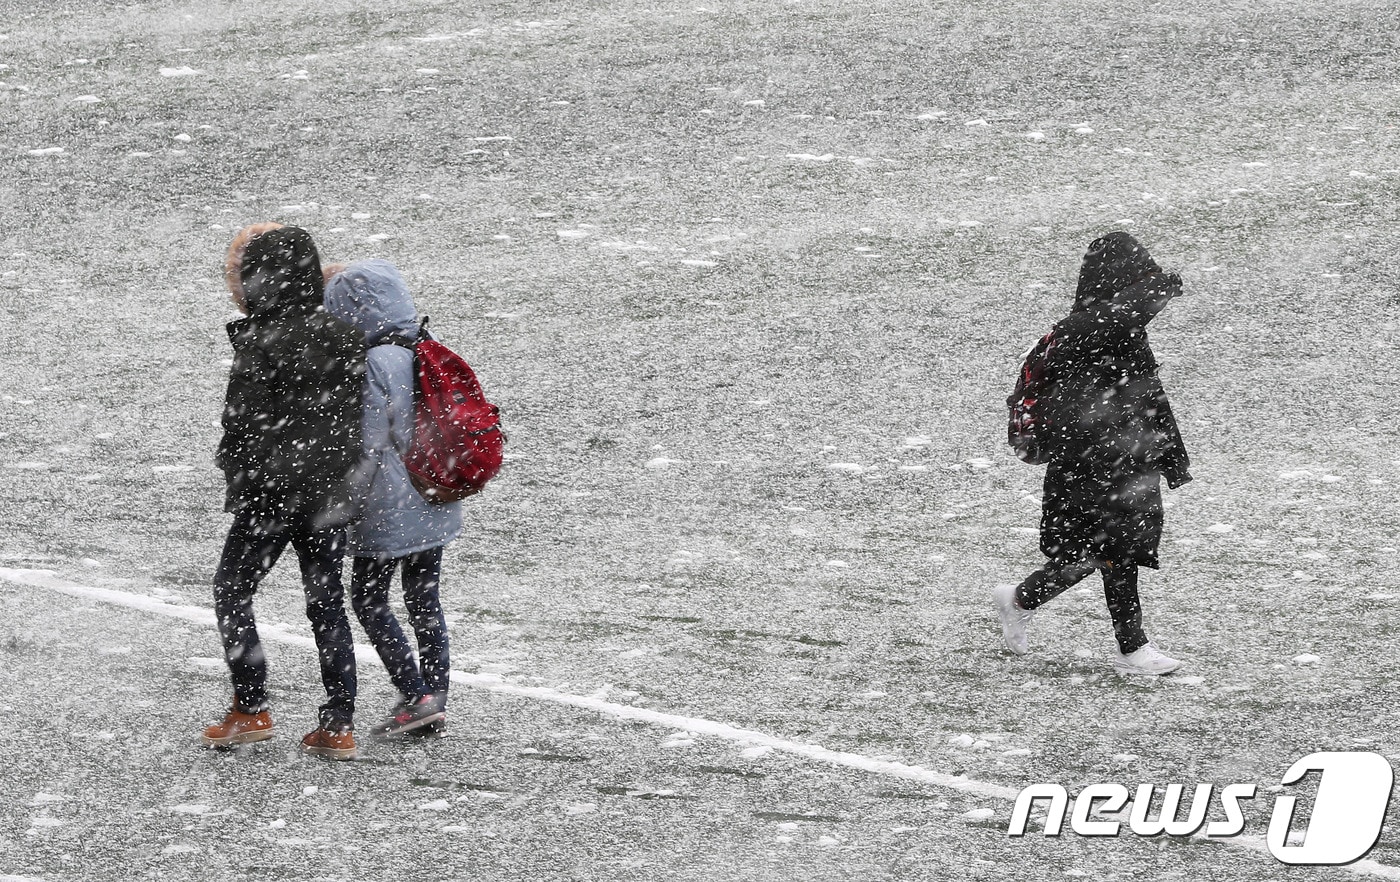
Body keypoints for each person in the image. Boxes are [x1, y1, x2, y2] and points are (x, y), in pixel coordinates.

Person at [202, 224, 369, 759]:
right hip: (330, 493)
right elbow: (351, 419)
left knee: (232, 590)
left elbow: (242, 423)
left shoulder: (261, 340)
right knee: (326, 605)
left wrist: (241, 480)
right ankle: (338, 722)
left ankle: (251, 708)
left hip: (271, 495)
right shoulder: (343, 335)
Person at [994, 231, 1192, 675]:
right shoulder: (1090, 330)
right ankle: (1130, 647)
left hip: (1122, 459)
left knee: (1108, 553)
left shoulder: (1113, 329)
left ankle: (1025, 601)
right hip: (1090, 463)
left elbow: (1146, 396)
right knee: (1103, 553)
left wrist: (1165, 453)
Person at [324, 259, 462, 737]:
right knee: (426, 600)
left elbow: (366, 444)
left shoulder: (371, 364)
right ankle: (436, 695)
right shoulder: (423, 347)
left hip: (388, 508)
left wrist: (342, 507)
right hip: (435, 495)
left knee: (368, 598)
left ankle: (415, 693)